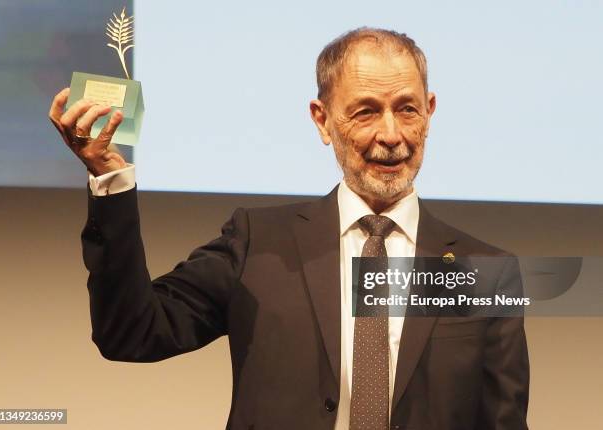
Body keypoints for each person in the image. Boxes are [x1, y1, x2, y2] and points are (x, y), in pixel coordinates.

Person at [48, 27, 529, 430]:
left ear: (430, 112)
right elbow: (132, 333)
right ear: (322, 120)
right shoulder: (258, 242)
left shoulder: (486, 272)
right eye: (365, 111)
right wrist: (109, 177)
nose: (391, 135)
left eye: (407, 109)